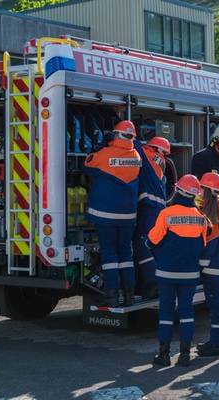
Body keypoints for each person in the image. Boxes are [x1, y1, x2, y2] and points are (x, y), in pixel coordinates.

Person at [148, 174, 208, 367]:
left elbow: (153, 239)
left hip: (166, 273)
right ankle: (185, 356)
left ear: (178, 190)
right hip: (190, 274)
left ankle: (164, 355)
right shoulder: (201, 218)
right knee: (186, 313)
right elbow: (202, 247)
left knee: (166, 313)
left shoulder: (167, 213)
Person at [84, 120, 141, 307]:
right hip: (128, 216)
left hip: (105, 215)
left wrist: (101, 145)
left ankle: (111, 295)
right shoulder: (136, 156)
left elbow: (87, 166)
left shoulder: (105, 154)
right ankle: (129, 294)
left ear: (116, 135)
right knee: (125, 254)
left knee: (109, 254)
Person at [196, 172, 219, 357]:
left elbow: (209, 246)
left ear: (208, 190)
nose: (199, 192)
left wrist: (199, 268)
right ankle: (217, 341)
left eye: (201, 188)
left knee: (216, 306)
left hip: (212, 268)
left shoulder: (212, 215)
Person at [133, 136, 171, 299]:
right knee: (153, 245)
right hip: (156, 210)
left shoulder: (150, 155)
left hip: (150, 209)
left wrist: (132, 138)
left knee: (143, 245)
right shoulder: (161, 162)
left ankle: (153, 283)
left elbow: (137, 149)